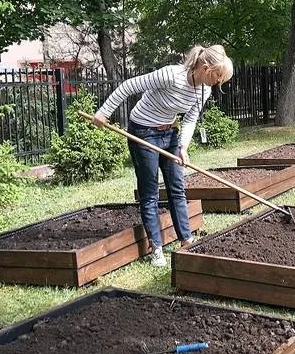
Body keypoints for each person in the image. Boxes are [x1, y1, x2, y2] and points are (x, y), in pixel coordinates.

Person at [93, 45, 234, 266]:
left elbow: (189, 119)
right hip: (143, 131)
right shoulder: (171, 75)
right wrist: (103, 112)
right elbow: (128, 86)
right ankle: (156, 249)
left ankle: (187, 241)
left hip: (169, 132)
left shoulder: (204, 90)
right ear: (205, 68)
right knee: (150, 191)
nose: (218, 83)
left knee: (177, 187)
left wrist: (183, 148)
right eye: (218, 76)